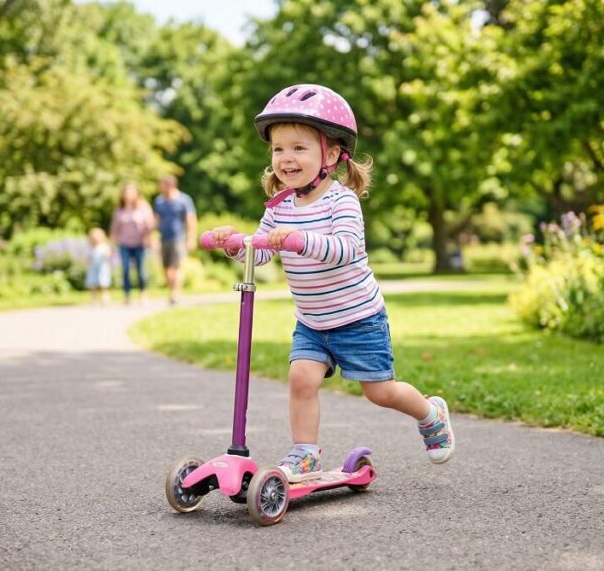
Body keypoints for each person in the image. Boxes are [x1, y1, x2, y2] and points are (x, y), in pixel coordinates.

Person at [208, 84, 455, 483]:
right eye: (278, 149)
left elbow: (345, 249)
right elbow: (263, 252)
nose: (285, 157)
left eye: (298, 148)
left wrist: (299, 240)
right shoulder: (279, 207)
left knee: (380, 392)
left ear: (331, 155)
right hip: (312, 321)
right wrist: (235, 244)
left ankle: (430, 413)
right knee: (301, 379)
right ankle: (305, 454)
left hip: (358, 319)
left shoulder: (342, 201)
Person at [153, 175, 197, 304]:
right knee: (166, 268)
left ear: (170, 185)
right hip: (163, 238)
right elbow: (156, 220)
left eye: (162, 185)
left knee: (176, 267)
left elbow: (190, 219)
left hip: (179, 238)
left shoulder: (184, 200)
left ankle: (176, 293)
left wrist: (191, 238)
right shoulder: (159, 201)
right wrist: (153, 236)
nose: (160, 188)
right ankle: (172, 290)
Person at [109, 182, 155, 304]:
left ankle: (143, 293)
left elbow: (150, 225)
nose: (128, 194)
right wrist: (112, 244)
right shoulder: (119, 209)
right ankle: (127, 295)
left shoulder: (143, 207)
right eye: (126, 192)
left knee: (141, 270)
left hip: (140, 243)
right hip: (124, 243)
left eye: (131, 192)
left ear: (136, 194)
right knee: (125, 269)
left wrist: (149, 237)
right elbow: (114, 228)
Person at [85, 227, 112, 304]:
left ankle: (104, 296)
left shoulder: (104, 246)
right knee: (93, 282)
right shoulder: (89, 248)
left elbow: (108, 254)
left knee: (103, 282)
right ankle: (93, 297)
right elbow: (86, 258)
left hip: (102, 267)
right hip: (93, 268)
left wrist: (106, 254)